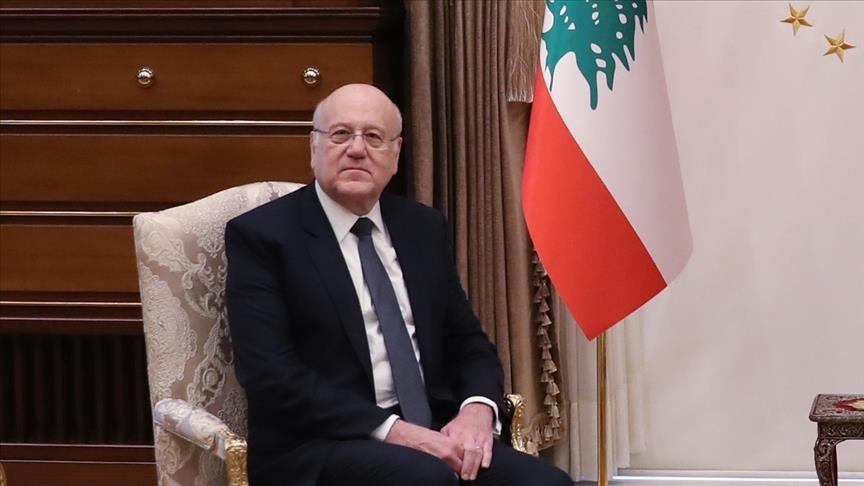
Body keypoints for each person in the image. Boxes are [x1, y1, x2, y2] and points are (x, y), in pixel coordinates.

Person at [225, 83, 572, 486]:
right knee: (425, 478)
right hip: (318, 444)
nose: (357, 149)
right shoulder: (264, 237)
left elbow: (468, 343)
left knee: (547, 483)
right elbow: (271, 375)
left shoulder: (421, 227)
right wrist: (397, 432)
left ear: (396, 154)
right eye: (340, 134)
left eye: (373, 137)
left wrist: (477, 410)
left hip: (433, 430)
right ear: (313, 148)